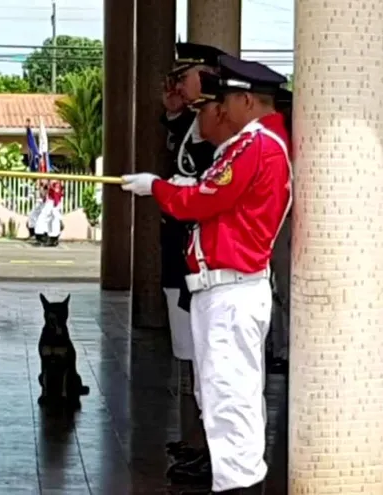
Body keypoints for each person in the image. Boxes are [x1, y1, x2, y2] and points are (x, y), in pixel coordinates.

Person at [121, 54, 291, 495]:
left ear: (247, 100)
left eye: (226, 100)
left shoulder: (255, 145)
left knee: (230, 402)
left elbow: (202, 200)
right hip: (225, 288)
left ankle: (238, 488)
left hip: (231, 288)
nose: (219, 109)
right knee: (223, 398)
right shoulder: (259, 143)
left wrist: (157, 188)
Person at [159, 42, 227, 480]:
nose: (177, 85)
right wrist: (172, 113)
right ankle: (198, 441)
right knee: (189, 356)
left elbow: (202, 174)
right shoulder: (190, 122)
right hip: (179, 252)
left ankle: (213, 450)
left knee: (210, 362)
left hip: (205, 257)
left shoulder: (219, 125)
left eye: (184, 76)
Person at [268, 87, 293, 375]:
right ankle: (278, 346)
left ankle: (286, 348)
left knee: (286, 289)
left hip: (287, 222)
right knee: (275, 290)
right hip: (274, 222)